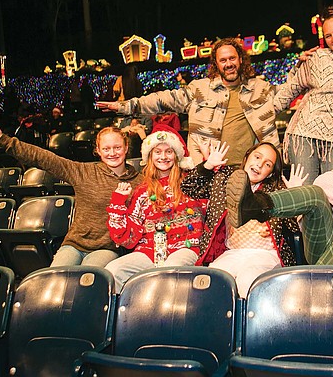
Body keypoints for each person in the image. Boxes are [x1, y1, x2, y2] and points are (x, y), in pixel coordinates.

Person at [0, 120, 142, 267]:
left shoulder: (139, 181)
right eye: (106, 148)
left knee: (84, 280)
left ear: (126, 148)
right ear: (98, 150)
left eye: (117, 147)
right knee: (54, 277)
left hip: (108, 248)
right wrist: (3, 140)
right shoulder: (84, 171)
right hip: (75, 244)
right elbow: (43, 158)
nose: (112, 153)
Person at [96, 38, 279, 166]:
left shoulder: (261, 88)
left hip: (251, 170)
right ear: (216, 64)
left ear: (240, 59)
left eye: (232, 58)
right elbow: (162, 100)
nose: (228, 64)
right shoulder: (199, 89)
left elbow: (290, 91)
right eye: (223, 60)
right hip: (210, 170)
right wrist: (124, 106)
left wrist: (305, 65)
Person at [180, 142, 300, 298]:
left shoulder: (277, 189)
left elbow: (294, 228)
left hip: (265, 254)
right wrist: (208, 165)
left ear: (270, 173)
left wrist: (294, 197)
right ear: (247, 157)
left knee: (248, 280)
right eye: (257, 157)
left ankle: (249, 321)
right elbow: (189, 187)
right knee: (213, 282)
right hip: (233, 252)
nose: (260, 164)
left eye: (267, 164)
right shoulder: (225, 179)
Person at [104, 126, 205, 292]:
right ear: (150, 156)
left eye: (169, 151)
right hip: (150, 251)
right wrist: (118, 204)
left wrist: (209, 164)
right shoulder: (142, 192)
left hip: (185, 249)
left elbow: (215, 201)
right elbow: (127, 240)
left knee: (169, 271)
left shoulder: (191, 184)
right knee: (113, 271)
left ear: (177, 156)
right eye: (157, 152)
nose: (163, 157)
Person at [273, 4, 333, 185]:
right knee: (305, 195)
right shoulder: (318, 58)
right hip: (305, 136)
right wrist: (261, 118)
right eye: (328, 35)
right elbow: (291, 89)